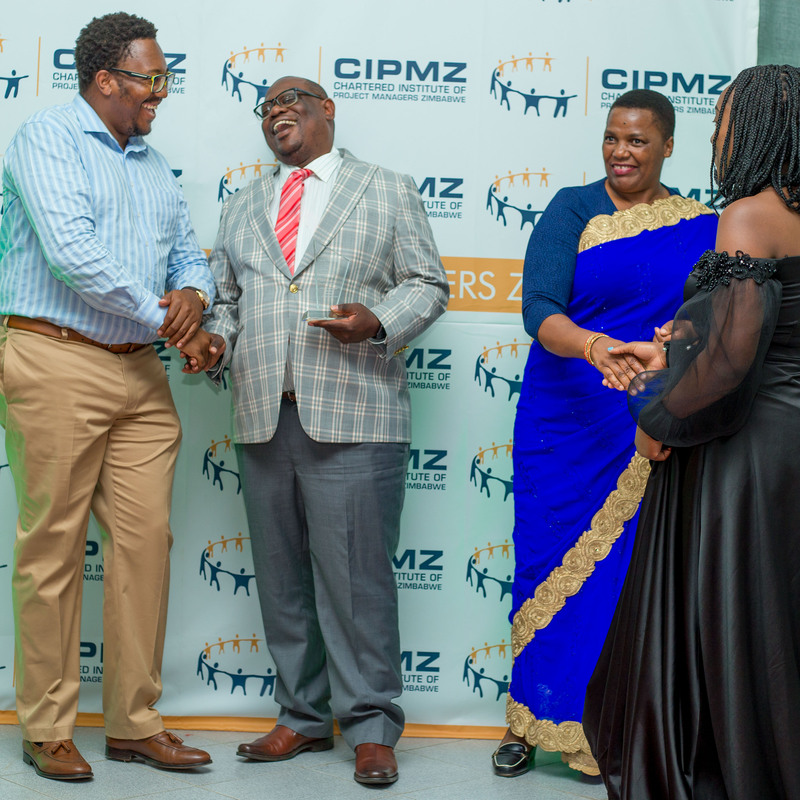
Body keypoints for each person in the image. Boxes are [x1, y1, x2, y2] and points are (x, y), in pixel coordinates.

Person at [190, 75, 449, 786]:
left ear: (327, 109)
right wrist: (215, 342)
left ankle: (370, 725)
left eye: (291, 100)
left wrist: (379, 320)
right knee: (281, 580)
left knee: (357, 581)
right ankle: (302, 716)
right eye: (266, 107)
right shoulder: (243, 204)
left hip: (356, 412)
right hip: (263, 413)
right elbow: (227, 302)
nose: (277, 112)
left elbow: (428, 283)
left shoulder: (387, 188)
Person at [0, 12, 217, 781]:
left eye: (164, 79)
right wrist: (169, 317)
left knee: (144, 547)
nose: (162, 92)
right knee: (52, 548)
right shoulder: (47, 138)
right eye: (150, 79)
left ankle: (134, 723)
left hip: (141, 373)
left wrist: (194, 295)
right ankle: (47, 726)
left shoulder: (153, 165)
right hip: (56, 356)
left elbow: (188, 254)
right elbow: (73, 255)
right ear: (105, 80)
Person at [584, 65, 800, 800]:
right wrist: (681, 343)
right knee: (780, 620)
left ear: (762, 126)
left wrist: (655, 407)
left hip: (747, 448)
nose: (715, 135)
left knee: (733, 620)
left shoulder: (748, 214)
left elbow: (731, 364)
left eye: (724, 120)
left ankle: (733, 773)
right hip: (790, 444)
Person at [491, 90, 718, 778]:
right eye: (613, 138)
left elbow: (712, 318)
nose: (622, 152)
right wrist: (593, 346)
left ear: (668, 147)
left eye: (638, 141)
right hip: (564, 417)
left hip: (647, 417)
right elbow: (539, 307)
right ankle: (528, 719)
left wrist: (675, 341)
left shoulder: (703, 225)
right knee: (544, 564)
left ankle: (612, 725)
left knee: (629, 573)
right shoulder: (572, 208)